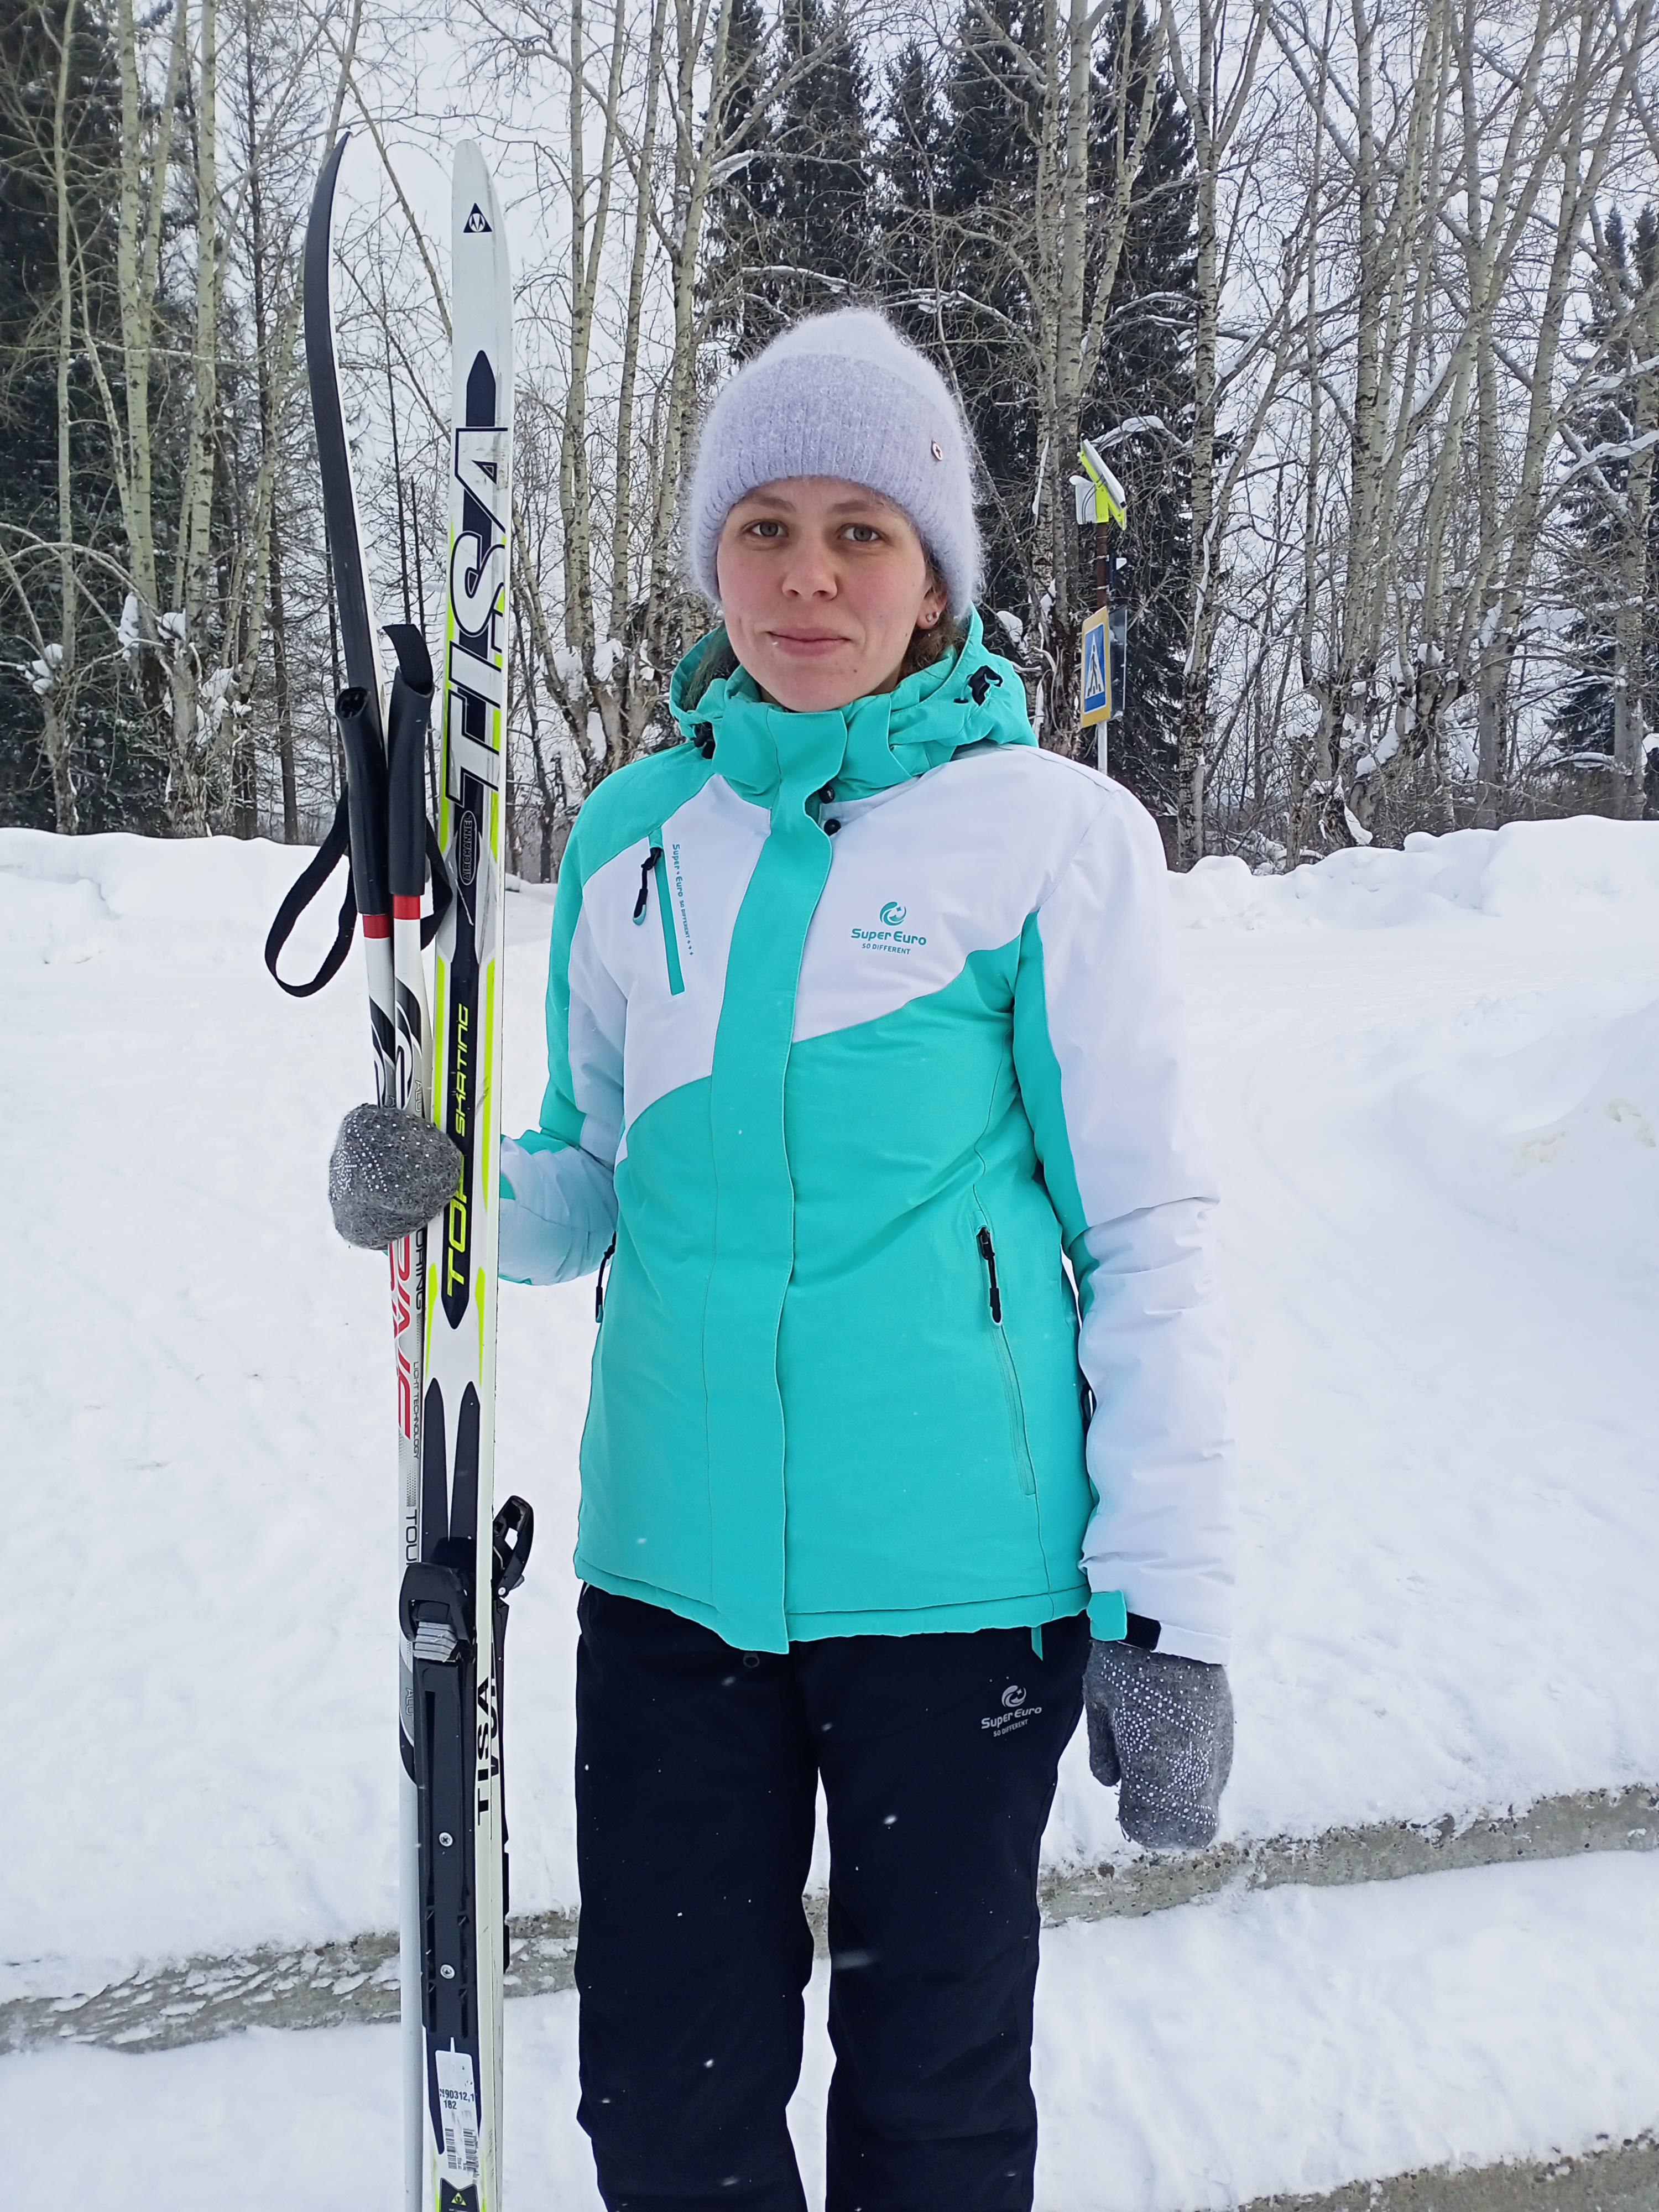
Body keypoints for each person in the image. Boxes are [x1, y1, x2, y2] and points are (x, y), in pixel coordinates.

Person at [331, 307, 1235, 2212]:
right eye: (765, 528)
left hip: (959, 1597)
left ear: (934, 579)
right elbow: (593, 1177)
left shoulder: (1051, 841)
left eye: (860, 531)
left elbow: (1147, 1235)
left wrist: (1164, 1618)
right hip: (674, 1585)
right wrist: (451, 1193)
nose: (808, 575)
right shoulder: (634, 835)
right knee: (667, 2109)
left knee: (935, 2110)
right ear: (713, 561)